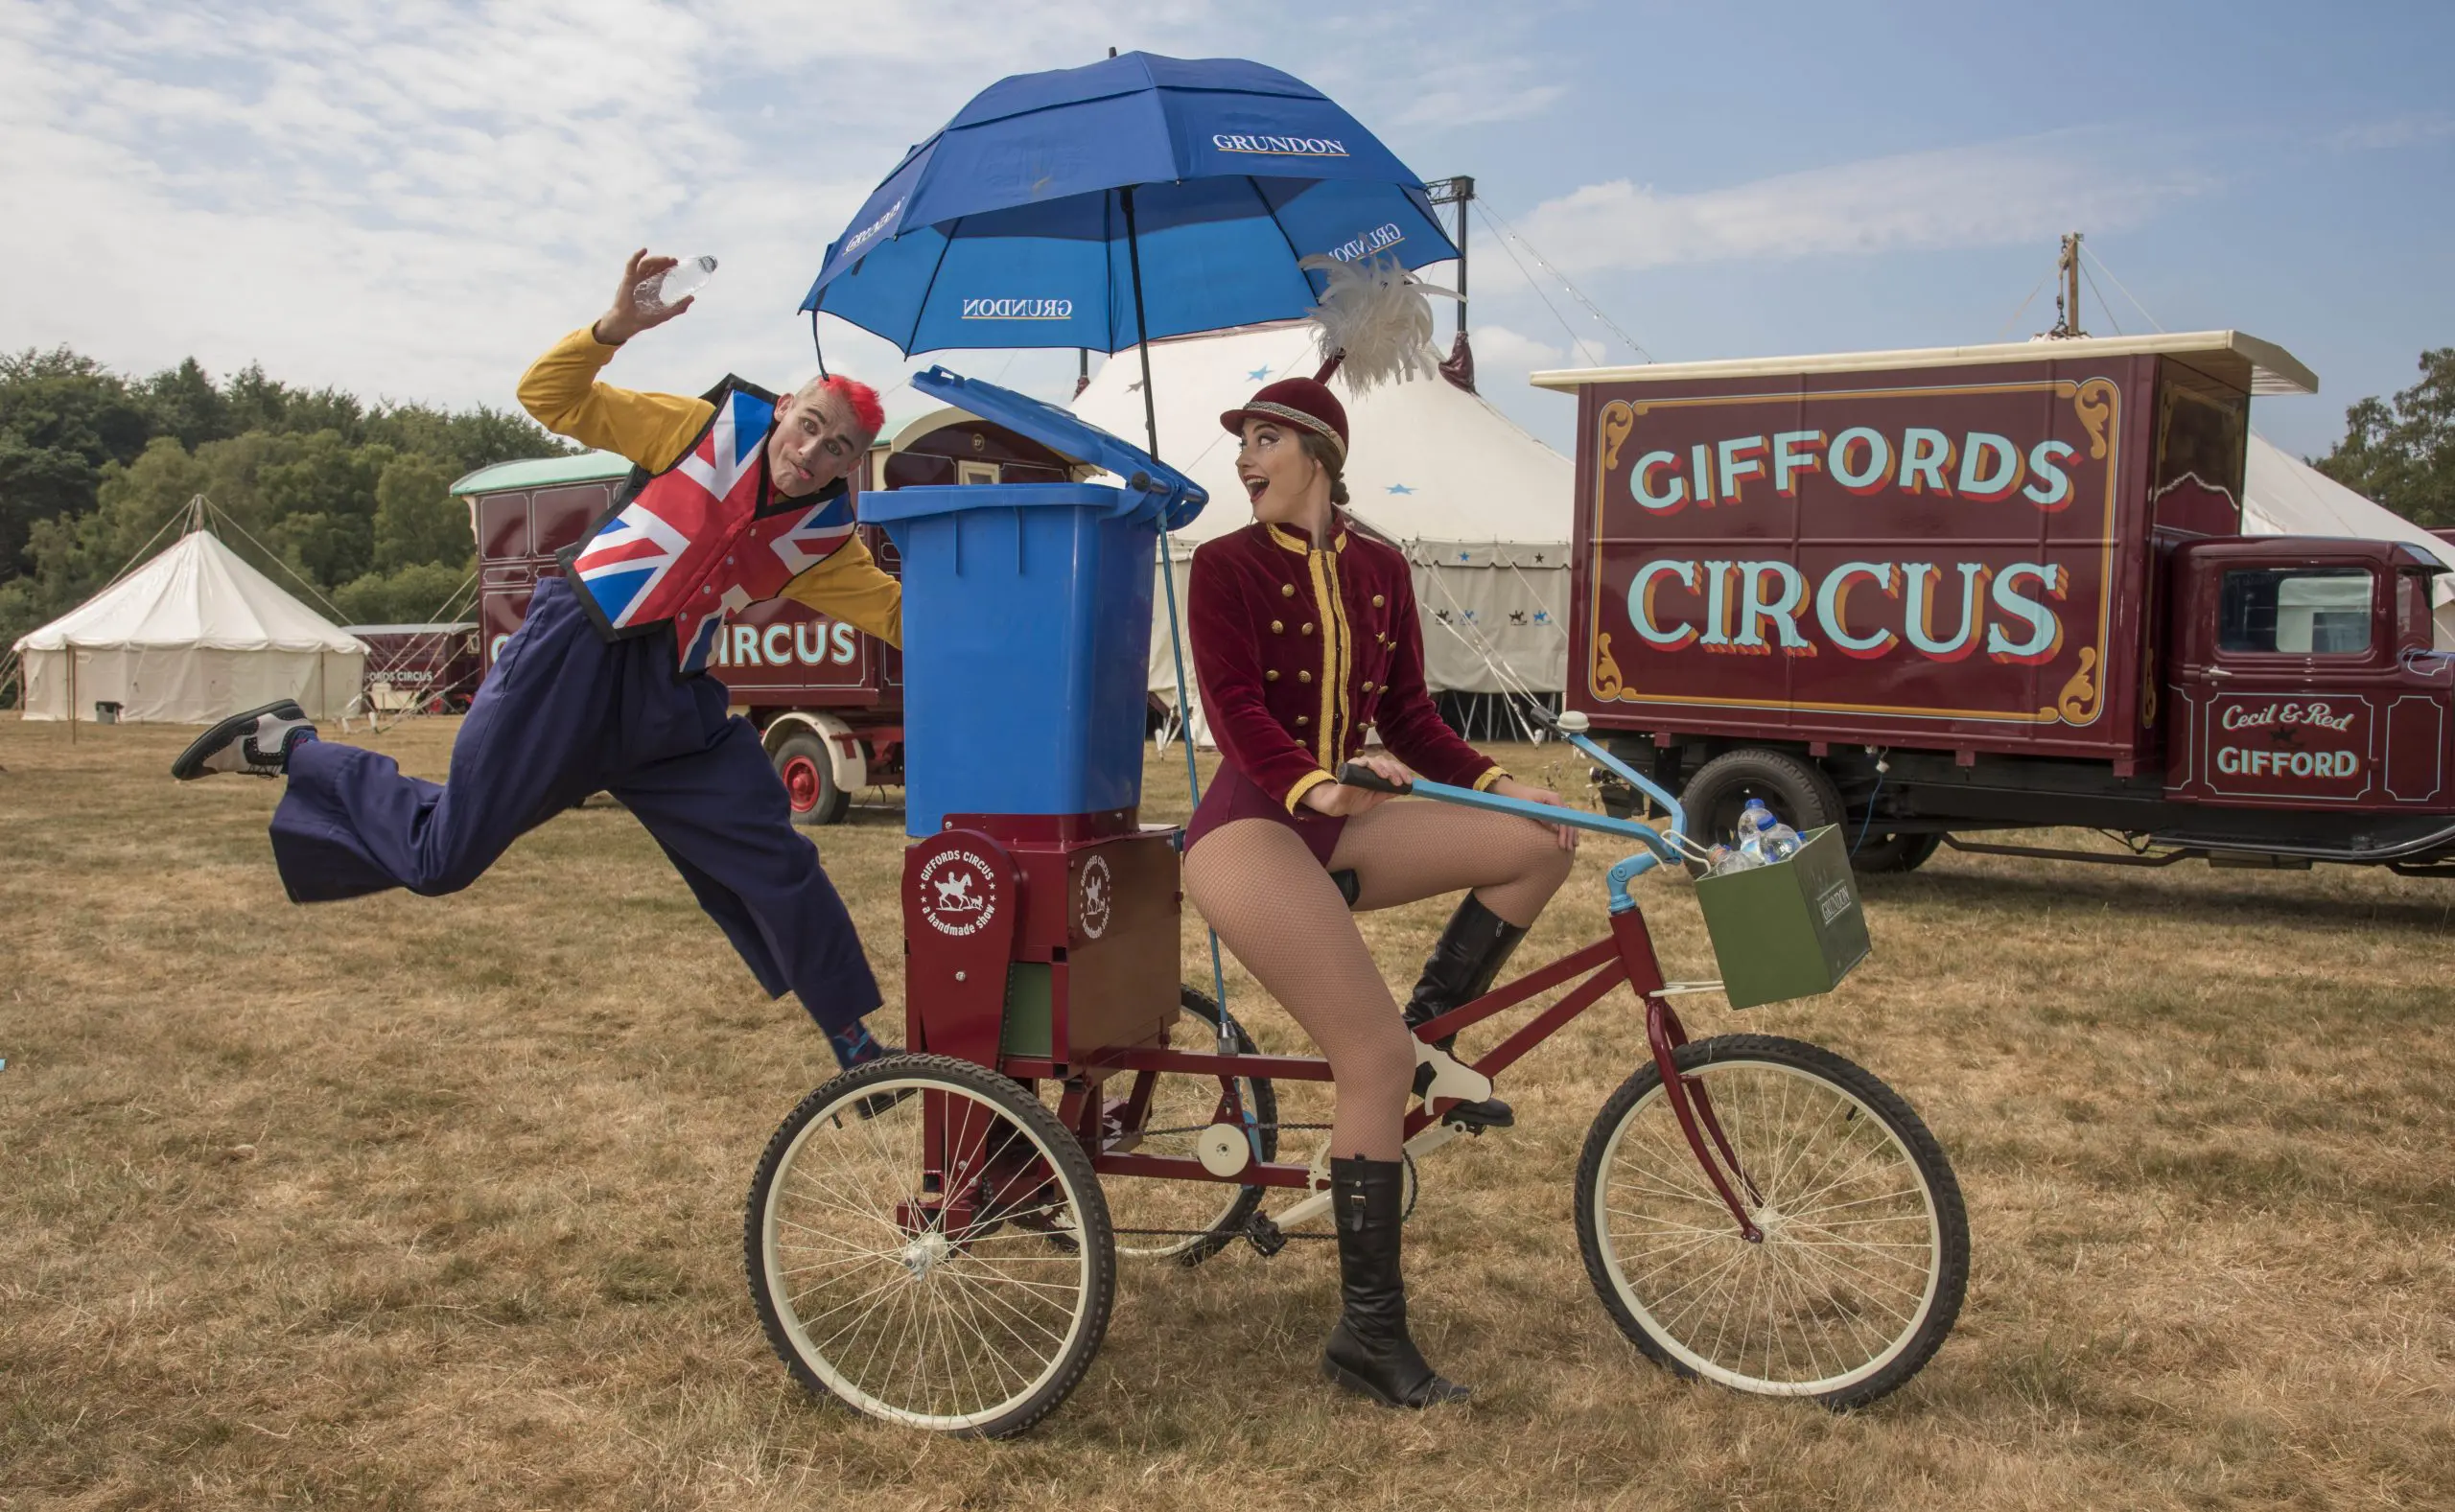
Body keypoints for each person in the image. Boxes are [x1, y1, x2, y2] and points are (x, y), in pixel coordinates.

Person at [173, 251, 901, 1075]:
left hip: (673, 704)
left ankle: (854, 1043)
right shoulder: (699, 428)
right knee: (442, 858)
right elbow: (548, 397)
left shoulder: (824, 540)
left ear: (851, 464)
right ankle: (292, 746)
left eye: (838, 447)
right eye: (811, 425)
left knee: (774, 852)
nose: (814, 452)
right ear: (786, 407)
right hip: (573, 653)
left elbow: (898, 615)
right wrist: (613, 330)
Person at [1182, 376, 1578, 1409]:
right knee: (1365, 1059)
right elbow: (1232, 714)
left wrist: (1500, 782)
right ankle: (1367, 1336)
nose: (1244, 459)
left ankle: (1426, 1039)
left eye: (1264, 439)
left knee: (1540, 841)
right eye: (1243, 443)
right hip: (1250, 828)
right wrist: (1321, 784)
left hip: (1341, 819)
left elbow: (1410, 715)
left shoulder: (1381, 565)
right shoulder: (1222, 566)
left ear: (1317, 448)